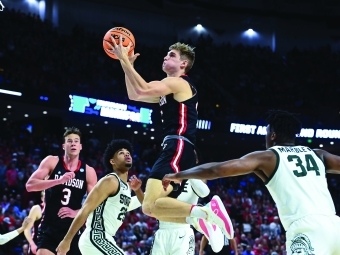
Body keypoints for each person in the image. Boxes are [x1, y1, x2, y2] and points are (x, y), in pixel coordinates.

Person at [163, 110, 340, 255]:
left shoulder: (269, 156)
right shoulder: (318, 154)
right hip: (335, 225)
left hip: (306, 229)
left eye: (267, 133)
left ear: (273, 135)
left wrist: (179, 175)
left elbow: (217, 169)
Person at [106, 36, 232, 239]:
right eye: (166, 54)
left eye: (171, 55)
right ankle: (198, 217)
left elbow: (143, 88)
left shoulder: (179, 83)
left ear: (183, 64)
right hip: (181, 149)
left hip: (177, 146)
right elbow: (134, 95)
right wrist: (124, 64)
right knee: (151, 206)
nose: (165, 57)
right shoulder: (170, 86)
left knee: (149, 205)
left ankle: (207, 210)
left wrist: (125, 61)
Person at [56, 139, 144, 255]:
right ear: (112, 161)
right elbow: (85, 209)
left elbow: (142, 203)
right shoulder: (110, 181)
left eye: (128, 152)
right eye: (121, 153)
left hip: (106, 238)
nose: (127, 154)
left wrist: (138, 191)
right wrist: (67, 240)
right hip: (96, 236)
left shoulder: (126, 187)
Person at [26, 127, 97, 255]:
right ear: (64, 146)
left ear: (81, 146)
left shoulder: (89, 172)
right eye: (69, 141)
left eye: (76, 141)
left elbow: (96, 203)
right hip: (49, 228)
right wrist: (58, 181)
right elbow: (30, 185)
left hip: (73, 230)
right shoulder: (52, 161)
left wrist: (76, 212)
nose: (73, 143)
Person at [151, 179, 225, 255]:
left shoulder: (193, 178)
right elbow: (149, 199)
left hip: (183, 230)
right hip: (162, 229)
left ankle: (202, 215)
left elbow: (205, 192)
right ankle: (200, 216)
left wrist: (189, 173)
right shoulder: (164, 173)